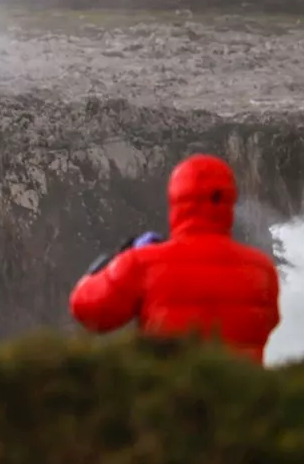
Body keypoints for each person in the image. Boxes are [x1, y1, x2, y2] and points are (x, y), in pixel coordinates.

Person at [69, 153, 280, 364]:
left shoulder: (143, 264)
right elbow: (270, 322)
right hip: (243, 394)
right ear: (228, 200)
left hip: (170, 393)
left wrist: (118, 260)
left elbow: (88, 309)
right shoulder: (263, 270)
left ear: (176, 199)